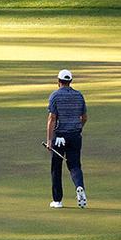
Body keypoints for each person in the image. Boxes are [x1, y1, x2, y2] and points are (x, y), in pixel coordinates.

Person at [46, 68, 88, 209]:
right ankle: (79, 187)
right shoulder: (79, 96)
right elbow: (84, 117)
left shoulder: (55, 96)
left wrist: (49, 140)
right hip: (75, 136)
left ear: (58, 81)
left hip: (59, 137)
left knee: (56, 168)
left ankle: (57, 200)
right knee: (75, 165)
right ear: (70, 81)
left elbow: (52, 118)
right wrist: (78, 127)